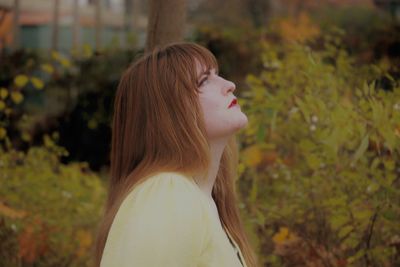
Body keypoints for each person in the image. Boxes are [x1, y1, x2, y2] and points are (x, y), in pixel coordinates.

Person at [93, 42, 258, 267]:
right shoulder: (166, 195)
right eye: (203, 80)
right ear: (167, 113)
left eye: (217, 75)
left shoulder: (200, 200)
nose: (229, 85)